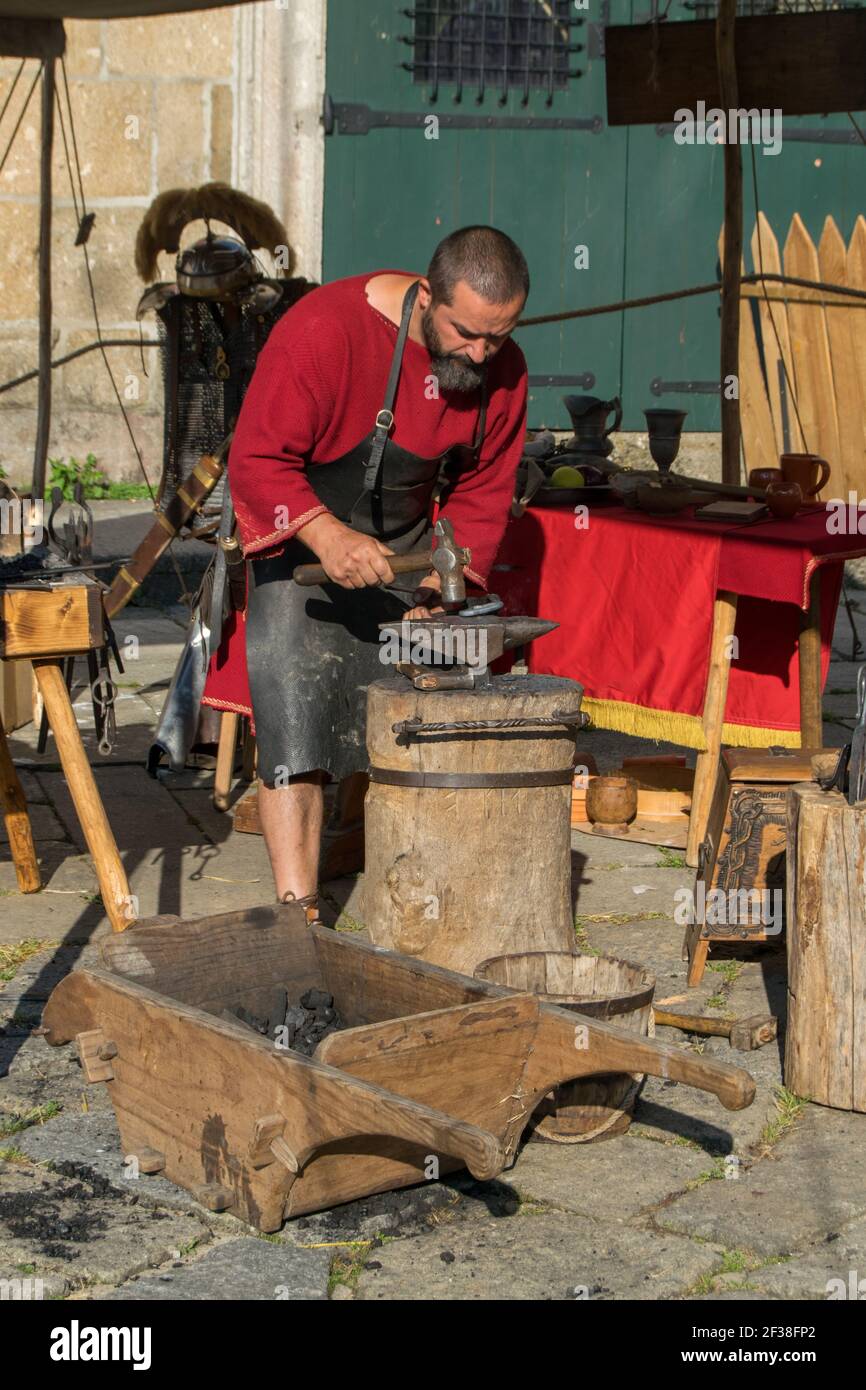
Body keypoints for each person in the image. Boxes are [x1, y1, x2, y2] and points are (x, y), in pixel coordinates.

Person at [229, 224, 530, 916]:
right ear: (426, 296)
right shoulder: (324, 332)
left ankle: (433, 897)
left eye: (500, 337)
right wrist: (327, 537)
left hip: (412, 551)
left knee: (444, 712)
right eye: (466, 333)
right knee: (295, 727)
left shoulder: (501, 370)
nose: (481, 354)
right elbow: (257, 460)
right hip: (300, 546)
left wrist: (435, 588)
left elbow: (483, 490)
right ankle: (295, 914)